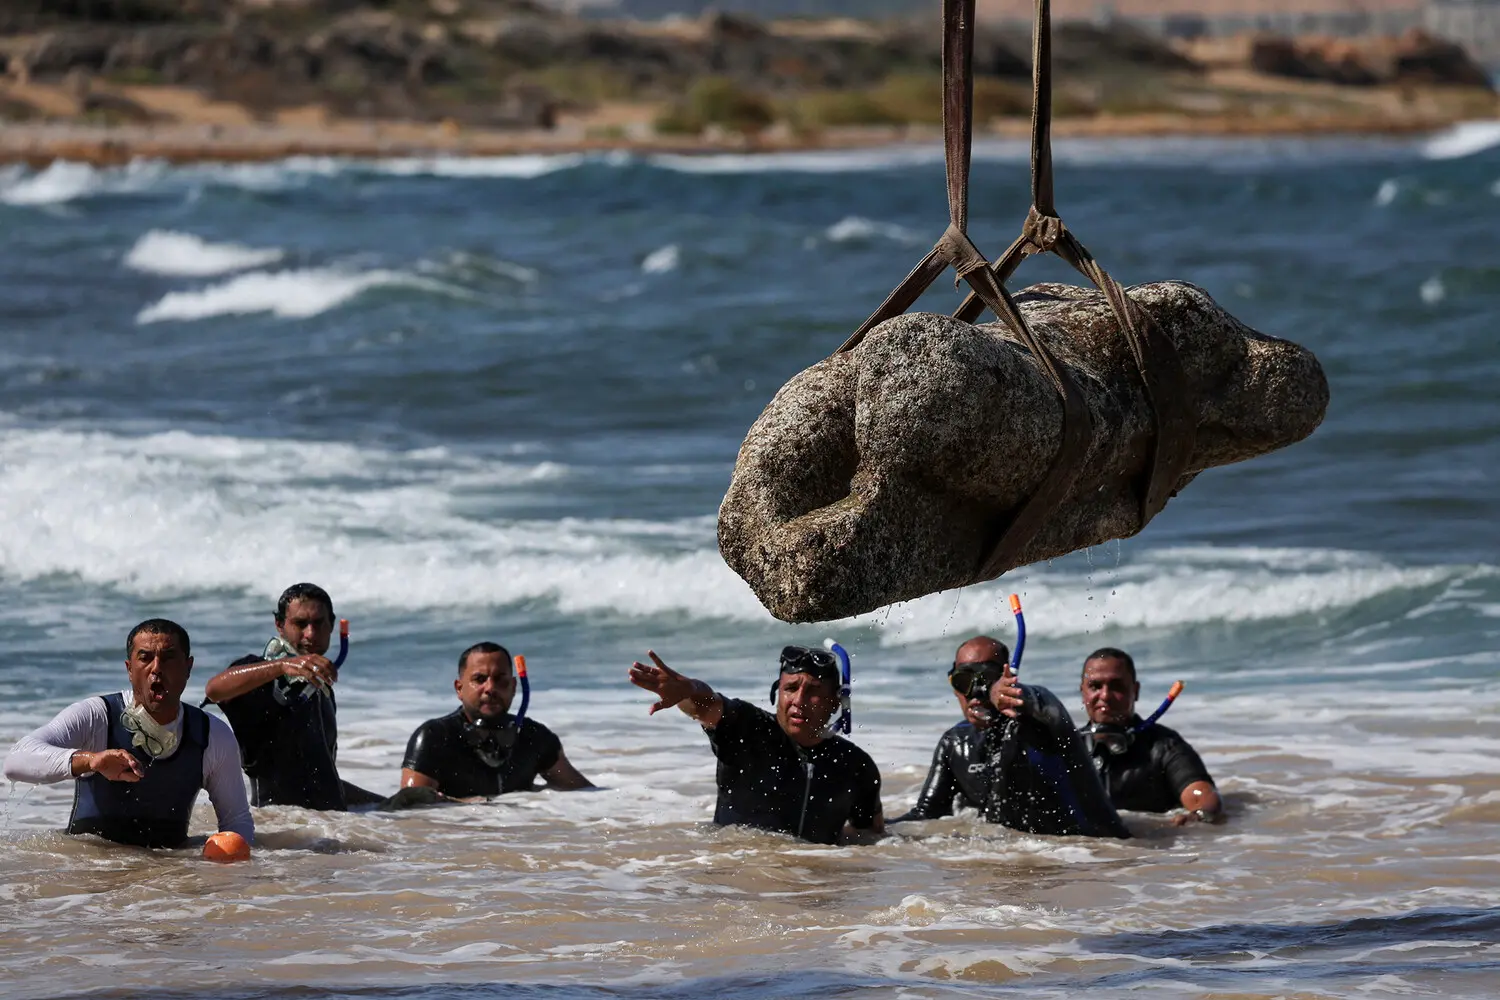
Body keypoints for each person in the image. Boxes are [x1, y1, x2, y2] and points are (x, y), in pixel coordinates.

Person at [2, 619, 253, 849]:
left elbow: (237, 822)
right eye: (145, 658)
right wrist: (91, 760)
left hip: (173, 878)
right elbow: (16, 761)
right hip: (89, 874)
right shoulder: (97, 716)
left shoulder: (212, 735)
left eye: (168, 658)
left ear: (188, 667)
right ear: (129, 668)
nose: (156, 669)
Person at [629, 645, 883, 845]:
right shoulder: (749, 728)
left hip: (813, 889)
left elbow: (869, 836)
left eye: (814, 691)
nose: (799, 700)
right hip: (740, 886)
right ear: (777, 692)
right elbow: (705, 705)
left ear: (835, 701)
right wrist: (687, 690)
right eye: (791, 688)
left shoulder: (854, 765)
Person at [894, 635, 1130, 839]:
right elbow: (926, 815)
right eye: (963, 681)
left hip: (1090, 858)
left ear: (1007, 676)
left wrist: (1004, 692)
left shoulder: (1043, 726)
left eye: (986, 679)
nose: (976, 692)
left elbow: (1044, 701)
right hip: (1015, 859)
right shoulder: (955, 743)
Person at [203, 583, 381, 811]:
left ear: (332, 625)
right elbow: (215, 689)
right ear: (279, 625)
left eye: (318, 623)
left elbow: (320, 781)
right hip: (282, 829)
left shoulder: (319, 687)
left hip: (329, 827)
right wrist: (283, 666)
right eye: (300, 624)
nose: (310, 634)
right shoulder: (263, 677)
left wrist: (389, 803)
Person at [400, 642, 593, 797]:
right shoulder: (435, 737)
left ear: (514, 686)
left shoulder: (534, 737)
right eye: (479, 679)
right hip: (454, 837)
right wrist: (464, 807)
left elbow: (585, 793)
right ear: (459, 688)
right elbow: (411, 807)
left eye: (500, 679)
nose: (490, 688)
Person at [1078, 647, 1224, 825]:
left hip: (1154, 846)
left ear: (1136, 690)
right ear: (1083, 692)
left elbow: (1202, 795)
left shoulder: (1164, 745)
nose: (1105, 695)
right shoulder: (1066, 748)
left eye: (1116, 686)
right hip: (1083, 851)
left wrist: (1198, 816)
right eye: (1095, 686)